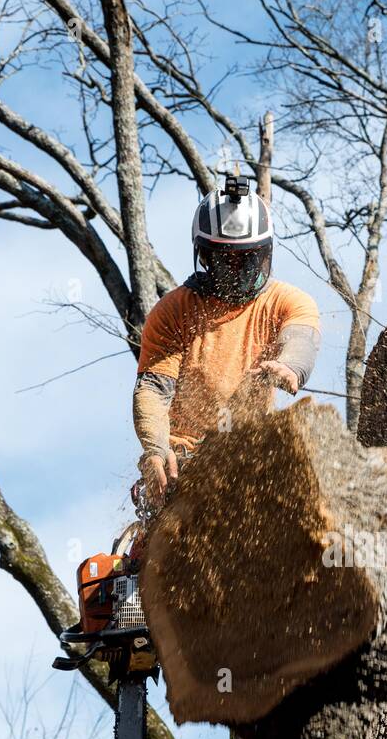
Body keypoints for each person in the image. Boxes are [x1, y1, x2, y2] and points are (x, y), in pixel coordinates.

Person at [133, 174, 321, 511]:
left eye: (246, 259)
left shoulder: (286, 301)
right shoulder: (174, 310)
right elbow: (153, 390)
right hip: (183, 459)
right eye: (225, 260)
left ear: (264, 254)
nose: (236, 271)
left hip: (249, 453)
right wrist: (156, 450)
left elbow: (302, 337)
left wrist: (289, 366)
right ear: (204, 256)